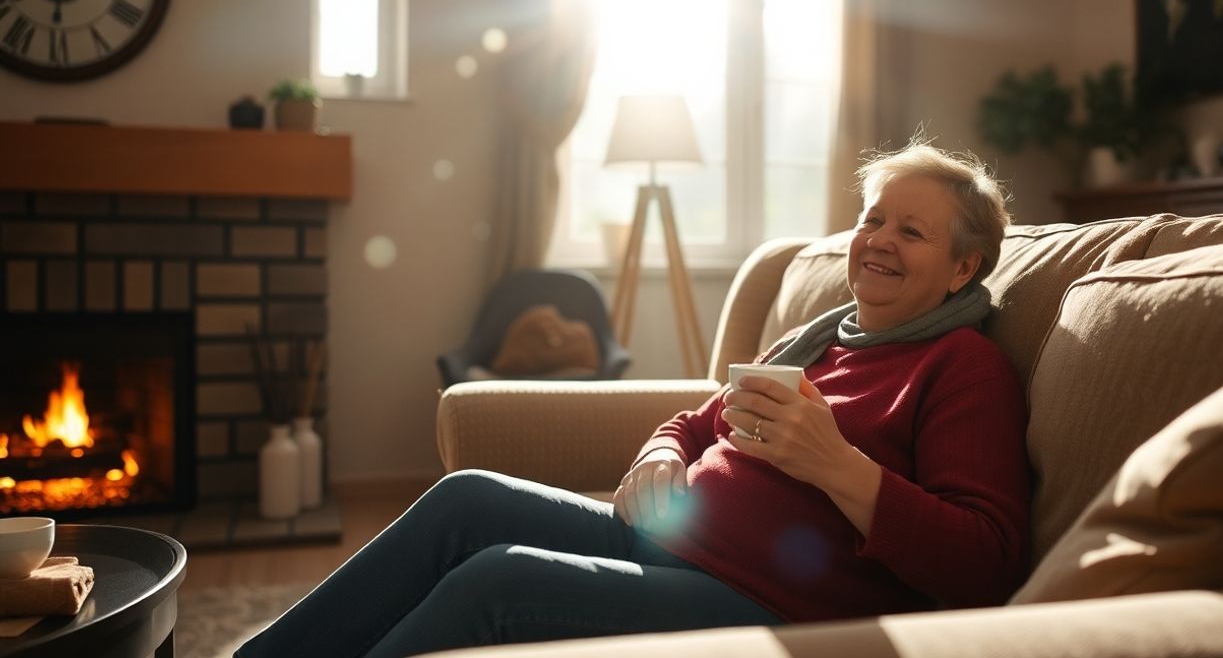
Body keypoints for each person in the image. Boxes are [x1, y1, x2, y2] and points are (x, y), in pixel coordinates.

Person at [236, 140, 1029, 658]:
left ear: (964, 269)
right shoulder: (825, 339)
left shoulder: (963, 367)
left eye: (912, 233)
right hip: (672, 542)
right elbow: (699, 418)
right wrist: (662, 450)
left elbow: (985, 566)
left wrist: (839, 467)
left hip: (767, 603)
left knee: (499, 579)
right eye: (872, 219)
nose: (878, 240)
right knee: (465, 500)